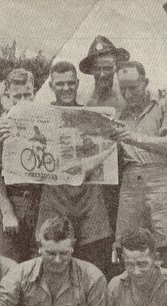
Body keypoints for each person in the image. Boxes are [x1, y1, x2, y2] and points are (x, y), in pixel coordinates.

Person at [110, 61, 167, 274]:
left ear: (145, 83)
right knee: (129, 254)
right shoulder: (118, 113)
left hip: (164, 183)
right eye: (123, 88)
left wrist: (132, 138)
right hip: (131, 186)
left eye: (133, 88)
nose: (127, 94)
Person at [36, 62, 112, 276]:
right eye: (60, 84)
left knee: (94, 265)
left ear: (78, 83)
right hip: (55, 196)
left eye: (71, 83)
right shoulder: (40, 115)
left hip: (88, 196)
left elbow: (108, 147)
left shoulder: (91, 114)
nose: (66, 88)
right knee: (54, 261)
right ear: (51, 86)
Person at [0, 68, 40, 262]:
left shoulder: (43, 126)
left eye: (27, 95)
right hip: (12, 201)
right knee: (11, 265)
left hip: (38, 203)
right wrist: (7, 212)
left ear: (34, 93)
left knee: (37, 263)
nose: (23, 101)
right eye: (17, 96)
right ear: (7, 96)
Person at [80, 35, 130, 237]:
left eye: (108, 68)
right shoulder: (84, 100)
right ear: (91, 70)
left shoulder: (126, 98)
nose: (102, 74)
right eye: (97, 69)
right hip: (95, 180)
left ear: (116, 67)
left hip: (123, 176)